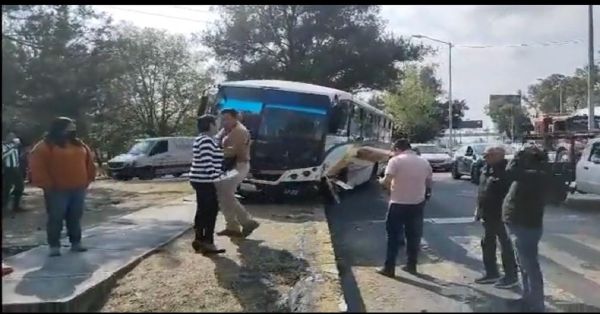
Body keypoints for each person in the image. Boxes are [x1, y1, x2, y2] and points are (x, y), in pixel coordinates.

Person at [29, 117, 96, 257]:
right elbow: (37, 166)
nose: (73, 128)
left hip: (78, 188)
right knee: (56, 218)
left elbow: (89, 161)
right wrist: (47, 185)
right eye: (69, 126)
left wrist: (88, 178)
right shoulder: (45, 146)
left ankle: (76, 243)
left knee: (75, 216)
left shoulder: (78, 144)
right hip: (56, 190)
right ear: (60, 127)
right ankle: (54, 246)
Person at [502, 145, 549, 312]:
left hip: (524, 225)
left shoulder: (534, 175)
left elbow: (510, 171)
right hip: (521, 223)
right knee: (524, 264)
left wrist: (518, 154)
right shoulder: (534, 173)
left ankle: (536, 304)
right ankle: (528, 299)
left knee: (529, 265)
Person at [377, 139, 433, 277]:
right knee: (414, 236)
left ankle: (389, 268)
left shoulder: (395, 161)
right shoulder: (424, 162)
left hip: (398, 204)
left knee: (393, 237)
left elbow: (387, 181)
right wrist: (425, 196)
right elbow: (429, 183)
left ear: (397, 149)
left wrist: (380, 181)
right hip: (417, 204)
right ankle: (411, 265)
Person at [474, 145, 518, 288]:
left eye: (488, 155)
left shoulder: (506, 171)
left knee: (505, 246)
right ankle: (492, 273)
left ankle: (511, 276)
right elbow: (482, 191)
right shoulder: (486, 169)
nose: (485, 158)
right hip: (487, 214)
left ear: (498, 155)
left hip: (501, 215)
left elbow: (510, 195)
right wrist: (478, 209)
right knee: (487, 243)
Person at [214, 109, 260, 238]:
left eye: (227, 118)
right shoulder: (226, 129)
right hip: (229, 166)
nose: (224, 121)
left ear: (236, 118)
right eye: (222, 119)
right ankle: (232, 226)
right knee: (221, 195)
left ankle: (247, 221)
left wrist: (213, 153)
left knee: (226, 194)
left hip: (238, 166)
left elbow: (231, 152)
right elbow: (216, 140)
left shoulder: (240, 131)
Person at [189, 115, 227, 255]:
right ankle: (207, 242)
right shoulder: (205, 140)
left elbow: (216, 139)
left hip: (201, 179)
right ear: (210, 125)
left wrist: (224, 129)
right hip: (205, 180)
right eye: (216, 123)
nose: (218, 125)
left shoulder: (205, 138)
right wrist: (217, 179)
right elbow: (207, 162)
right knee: (210, 211)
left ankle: (200, 239)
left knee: (203, 209)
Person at [2, 132, 25, 213]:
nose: (12, 138)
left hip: (16, 168)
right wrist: (13, 148)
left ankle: (16, 206)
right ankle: (4, 207)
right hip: (8, 169)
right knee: (6, 188)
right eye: (10, 136)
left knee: (20, 186)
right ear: (7, 137)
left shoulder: (15, 145)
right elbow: (3, 155)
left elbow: (18, 155)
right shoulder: (4, 145)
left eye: (14, 136)